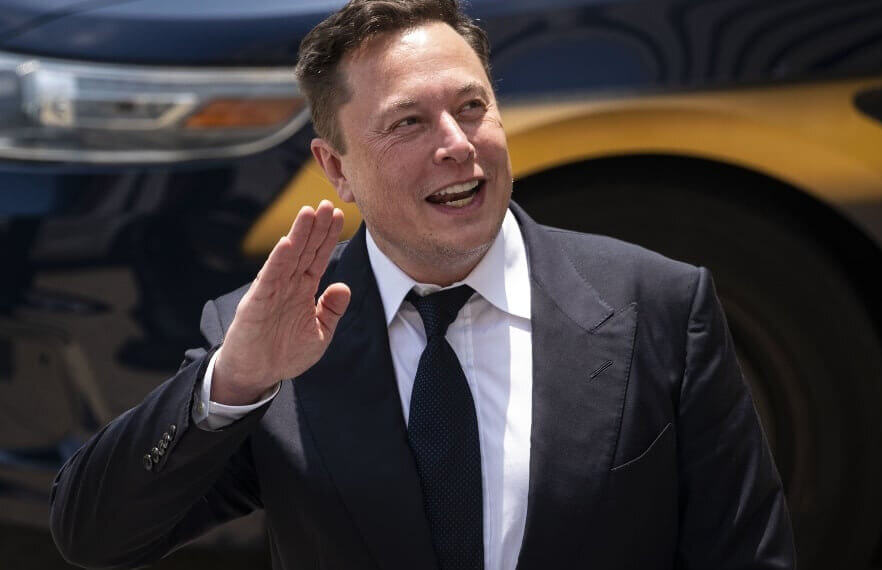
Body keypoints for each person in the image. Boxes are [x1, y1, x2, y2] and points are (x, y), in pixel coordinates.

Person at [49, 0, 796, 568]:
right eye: (408, 123)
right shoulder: (272, 337)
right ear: (337, 168)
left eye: (472, 107)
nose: (456, 144)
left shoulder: (658, 305)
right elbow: (93, 535)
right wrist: (236, 381)